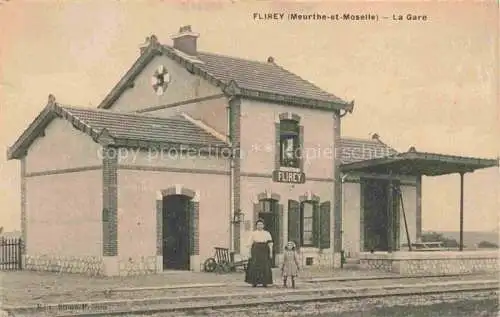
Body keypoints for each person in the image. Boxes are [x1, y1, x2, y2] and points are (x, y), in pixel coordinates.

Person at [245, 218, 273, 287]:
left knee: (265, 266)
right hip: (256, 250)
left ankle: (265, 282)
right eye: (258, 224)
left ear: (263, 225)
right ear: (256, 226)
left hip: (264, 250)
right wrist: (249, 253)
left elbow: (270, 244)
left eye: (261, 224)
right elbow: (250, 244)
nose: (260, 226)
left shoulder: (267, 233)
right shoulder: (253, 233)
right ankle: (254, 282)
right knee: (254, 266)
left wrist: (271, 253)